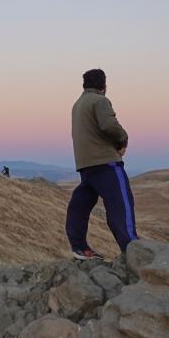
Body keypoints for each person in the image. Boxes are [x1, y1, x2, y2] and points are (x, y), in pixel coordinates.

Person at [65, 68, 138, 259]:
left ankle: (79, 247)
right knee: (121, 206)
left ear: (84, 85)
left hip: (85, 165)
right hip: (105, 163)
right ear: (103, 86)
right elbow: (108, 125)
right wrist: (123, 138)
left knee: (79, 206)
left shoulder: (77, 104)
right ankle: (134, 251)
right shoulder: (100, 101)